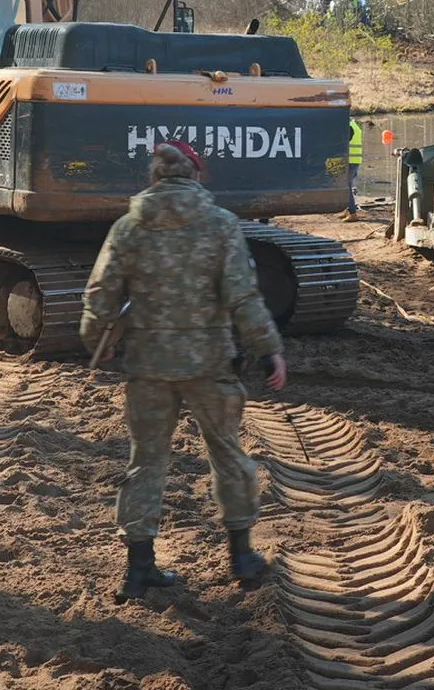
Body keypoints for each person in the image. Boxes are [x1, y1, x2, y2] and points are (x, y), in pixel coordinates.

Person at [80, 142, 289, 602]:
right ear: (196, 175)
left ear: (154, 178)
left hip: (149, 367)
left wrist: (98, 340)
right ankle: (242, 557)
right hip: (209, 363)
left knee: (145, 463)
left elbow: (100, 295)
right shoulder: (220, 226)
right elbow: (243, 297)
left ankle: (139, 570)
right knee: (228, 456)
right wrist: (268, 349)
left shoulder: (129, 227)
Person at [341, 117, 364, 220]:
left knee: (347, 186)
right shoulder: (355, 125)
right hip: (354, 160)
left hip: (350, 160)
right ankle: (347, 210)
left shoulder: (349, 127)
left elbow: (343, 142)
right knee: (346, 186)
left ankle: (352, 213)